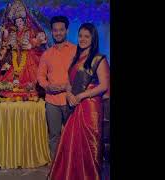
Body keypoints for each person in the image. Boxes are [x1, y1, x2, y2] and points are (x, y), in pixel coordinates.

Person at [48, 23, 110, 180]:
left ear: (93, 38)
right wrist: (69, 94)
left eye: (86, 36)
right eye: (80, 36)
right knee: (71, 143)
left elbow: (104, 86)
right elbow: (70, 82)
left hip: (90, 108)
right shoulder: (77, 58)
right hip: (74, 105)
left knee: (89, 145)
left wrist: (81, 96)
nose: (82, 39)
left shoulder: (99, 59)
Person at [37, 16, 77, 160]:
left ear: (66, 30)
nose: (58, 33)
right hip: (52, 101)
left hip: (71, 100)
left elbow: (80, 73)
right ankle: (56, 167)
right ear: (52, 32)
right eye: (55, 30)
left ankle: (72, 165)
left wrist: (69, 87)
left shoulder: (75, 50)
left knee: (73, 135)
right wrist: (48, 86)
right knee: (54, 135)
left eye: (61, 30)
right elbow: (40, 76)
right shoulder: (47, 54)